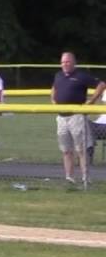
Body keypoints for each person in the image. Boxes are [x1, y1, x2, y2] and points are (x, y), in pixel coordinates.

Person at [52, 51, 104, 187]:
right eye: (63, 61)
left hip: (77, 117)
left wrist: (92, 101)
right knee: (66, 150)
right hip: (61, 118)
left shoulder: (81, 76)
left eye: (67, 61)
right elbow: (54, 88)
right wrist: (53, 99)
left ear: (74, 63)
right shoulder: (58, 75)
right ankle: (69, 178)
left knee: (81, 150)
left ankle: (86, 179)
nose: (65, 64)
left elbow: (101, 85)